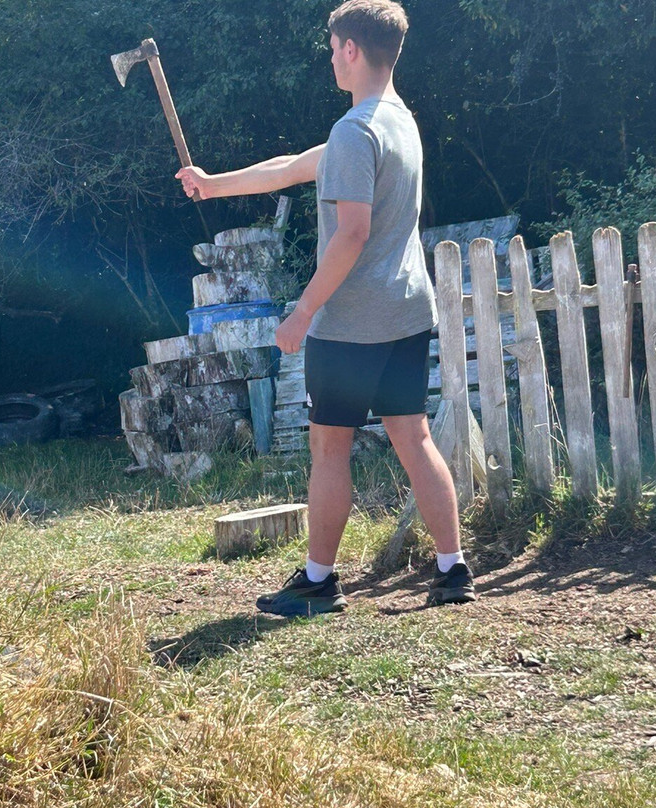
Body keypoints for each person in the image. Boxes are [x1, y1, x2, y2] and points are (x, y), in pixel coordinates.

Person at [176, 0, 476, 616]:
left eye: (333, 46)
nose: (330, 58)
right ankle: (453, 569)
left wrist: (304, 311)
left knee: (329, 449)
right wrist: (213, 181)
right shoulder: (397, 122)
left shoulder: (354, 131)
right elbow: (289, 169)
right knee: (413, 437)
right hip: (406, 312)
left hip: (349, 322)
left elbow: (350, 234)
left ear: (350, 50)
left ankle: (318, 581)